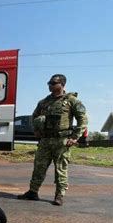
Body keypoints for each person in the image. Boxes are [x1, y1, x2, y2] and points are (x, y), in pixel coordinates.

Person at [18, 74, 88, 206]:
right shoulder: (44, 102)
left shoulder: (72, 101)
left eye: (53, 83)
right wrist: (36, 130)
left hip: (62, 141)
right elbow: (34, 116)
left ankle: (59, 195)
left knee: (61, 168)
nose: (50, 85)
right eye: (49, 83)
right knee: (39, 167)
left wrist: (75, 137)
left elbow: (83, 119)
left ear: (62, 84)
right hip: (45, 140)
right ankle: (33, 192)